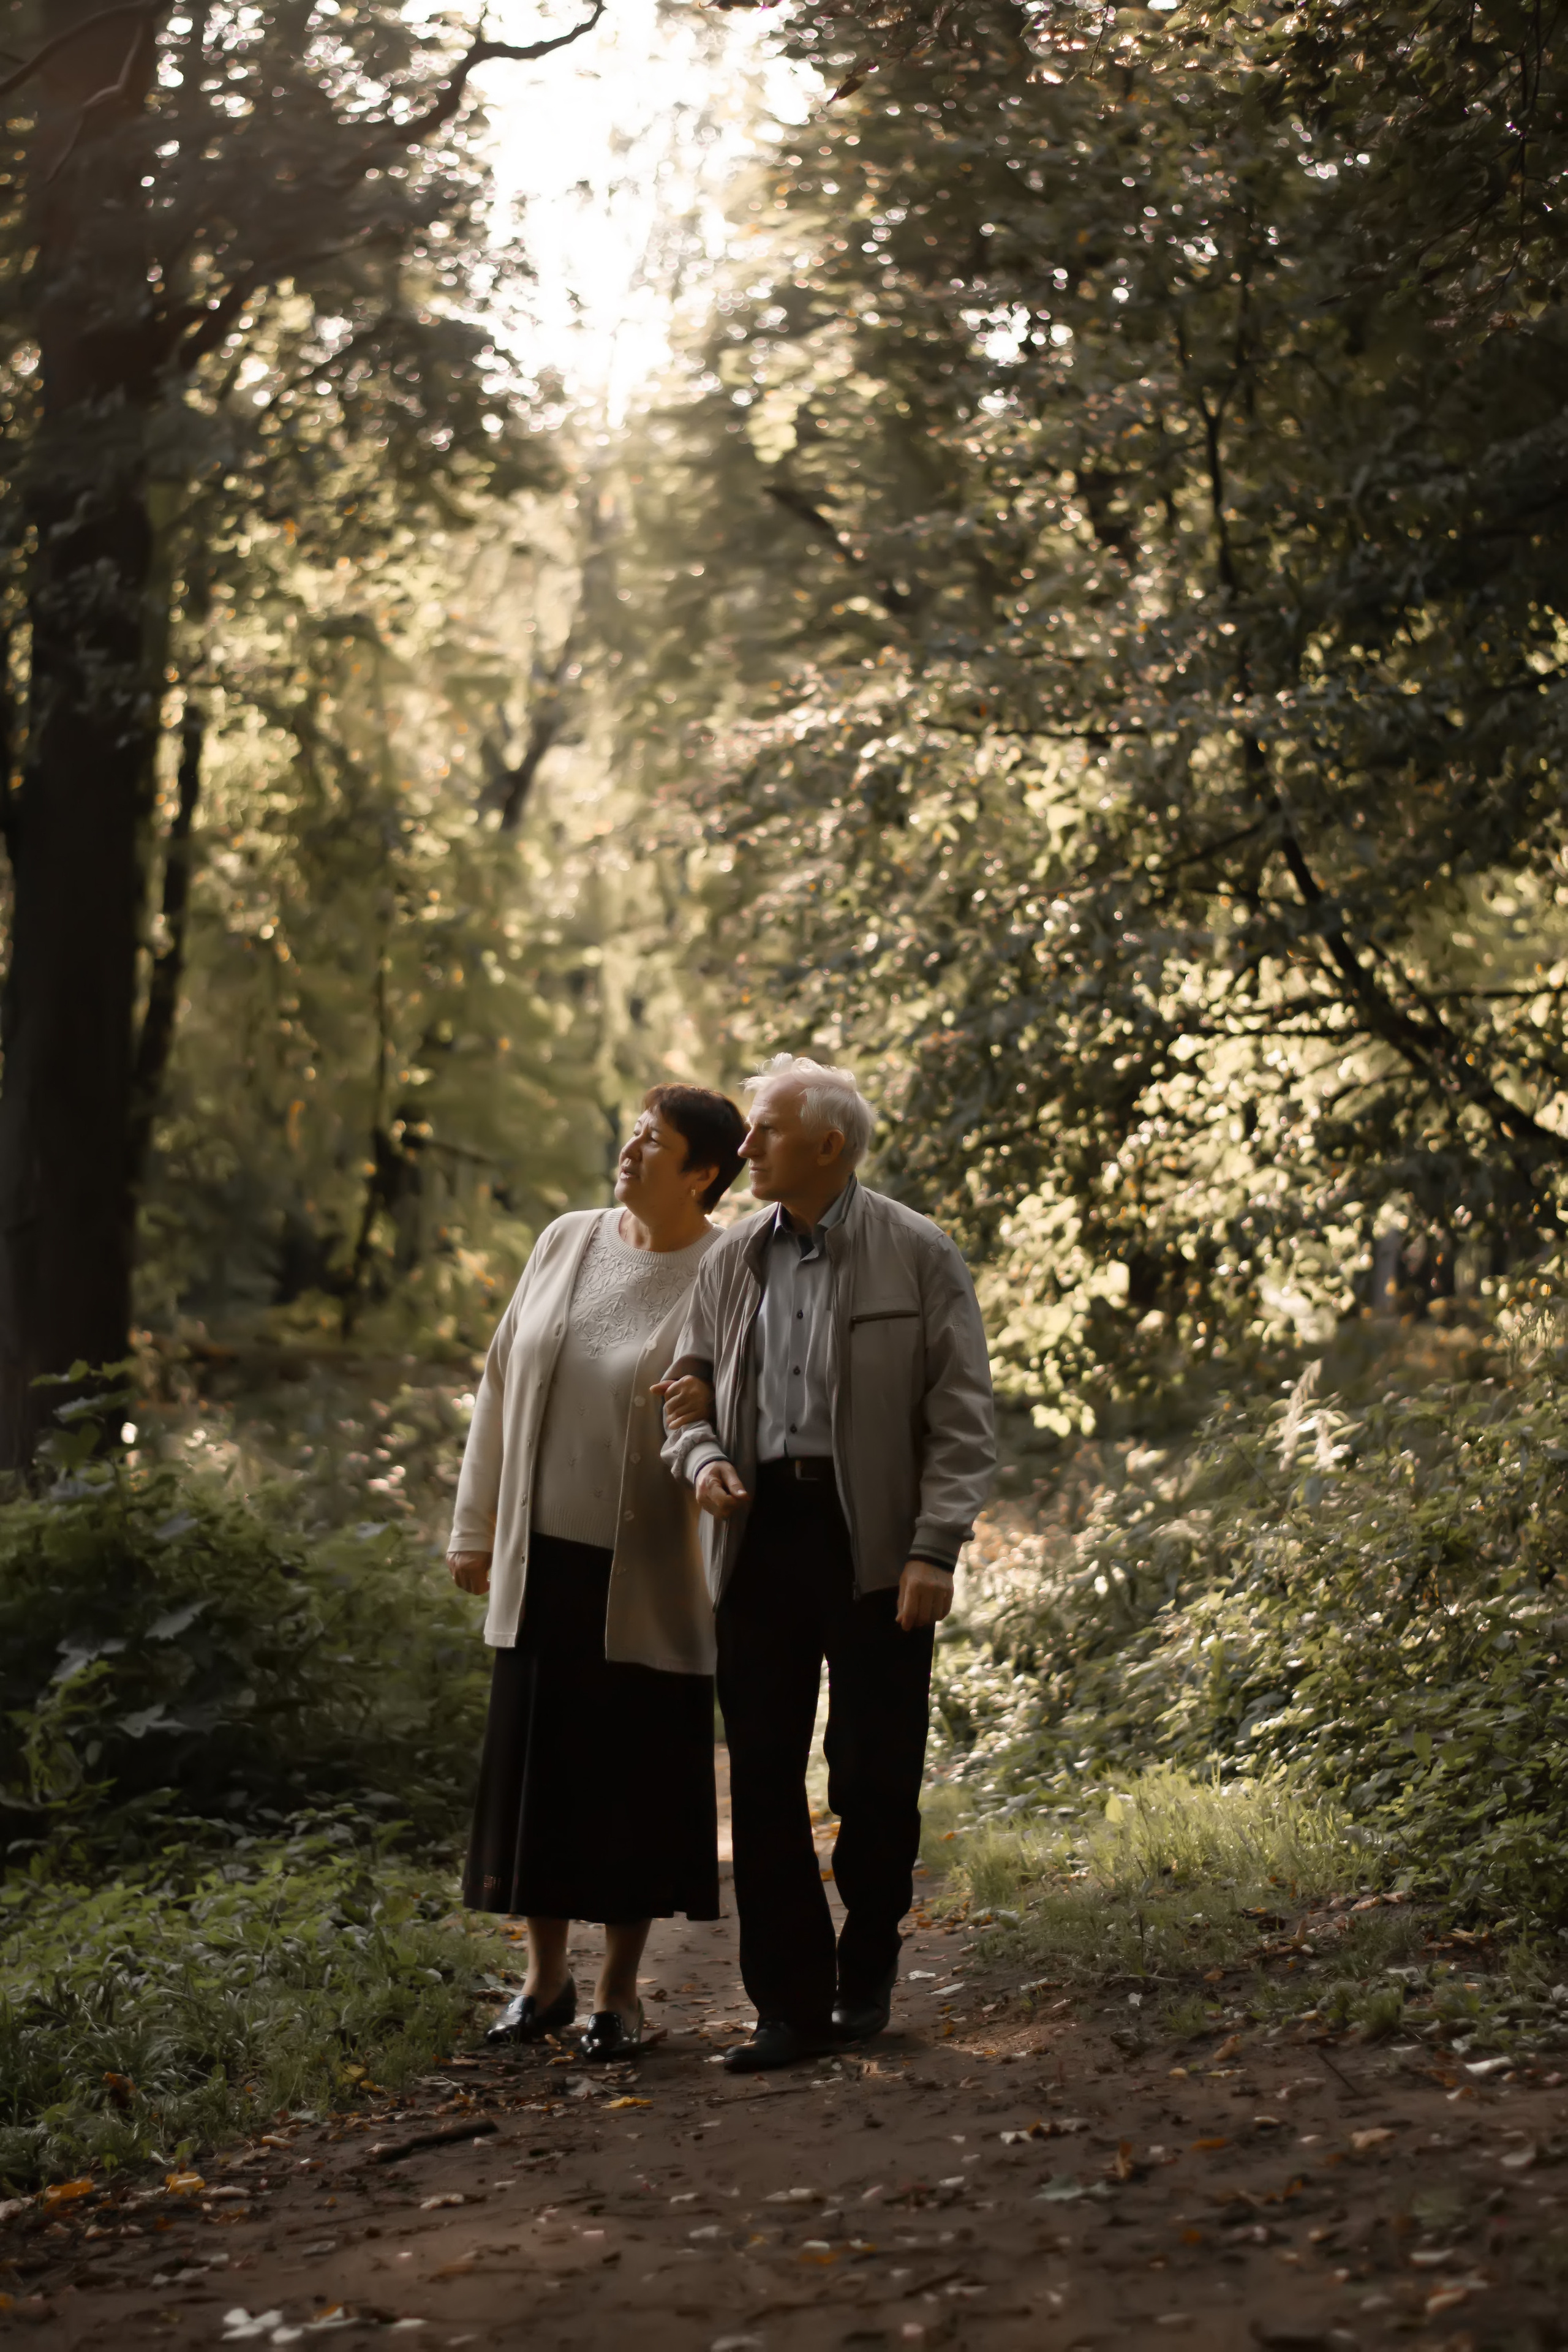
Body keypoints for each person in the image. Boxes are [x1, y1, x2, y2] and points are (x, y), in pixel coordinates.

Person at [661, 1053, 995, 2071]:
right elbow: (685, 1393)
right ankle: (787, 2005)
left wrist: (934, 1547)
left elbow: (961, 1418)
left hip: (875, 1546)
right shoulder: (730, 1261)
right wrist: (706, 1460)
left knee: (874, 1775)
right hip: (760, 1536)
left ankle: (868, 1962)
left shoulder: (917, 1251)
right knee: (760, 1775)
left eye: (762, 1131)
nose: (745, 1149)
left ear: (828, 1146)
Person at [447, 1084, 747, 2065]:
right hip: (541, 1564)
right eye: (633, 1132)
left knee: (630, 1783)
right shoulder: (566, 1239)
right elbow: (500, 1382)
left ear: (702, 1172)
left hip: (649, 1575)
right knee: (538, 1778)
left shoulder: (725, 1267)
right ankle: (542, 1981)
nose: (631, 1149)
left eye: (654, 1142)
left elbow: (728, 1402)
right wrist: (474, 1527)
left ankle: (619, 1992)